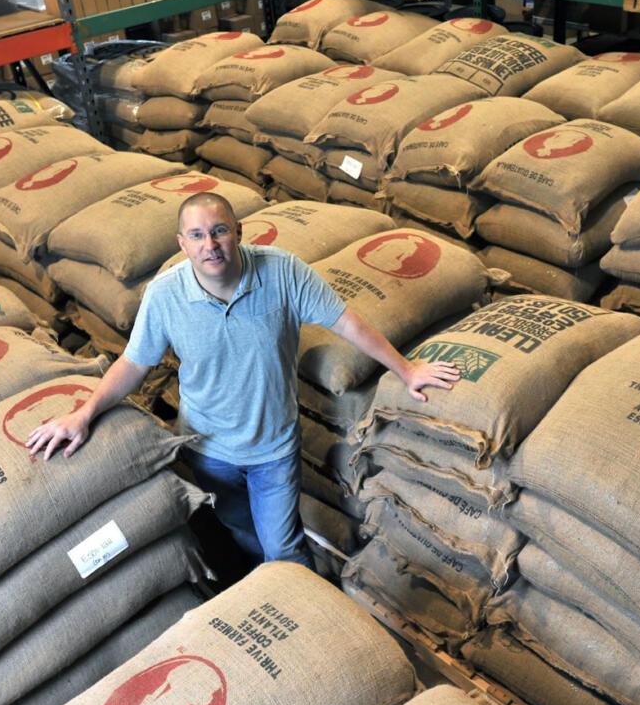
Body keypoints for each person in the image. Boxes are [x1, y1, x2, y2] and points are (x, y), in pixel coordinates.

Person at [26, 192, 460, 568]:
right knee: (240, 530)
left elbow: (348, 324)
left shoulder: (283, 272)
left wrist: (408, 370)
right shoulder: (165, 294)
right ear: (182, 243)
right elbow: (133, 365)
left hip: (273, 450)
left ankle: (302, 621)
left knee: (283, 548)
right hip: (207, 450)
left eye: (219, 231)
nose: (209, 244)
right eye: (196, 235)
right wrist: (84, 413)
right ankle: (258, 590)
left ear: (239, 231)